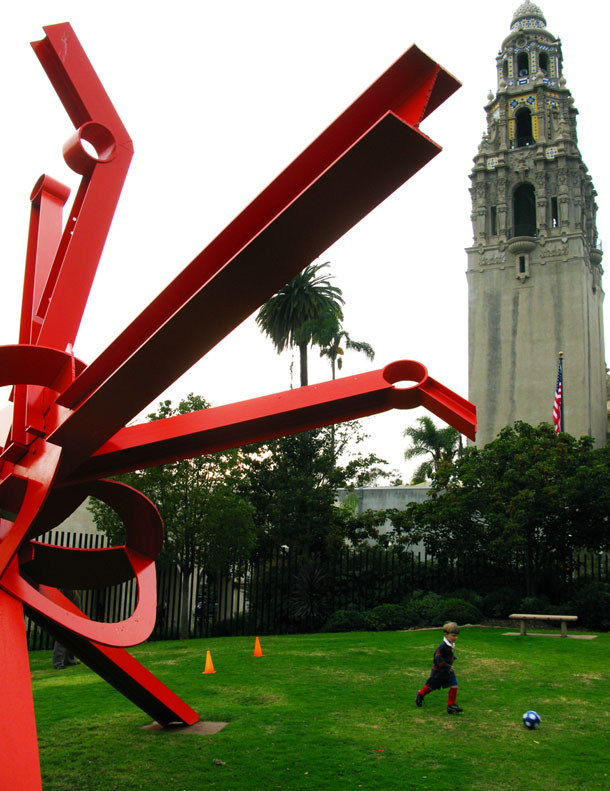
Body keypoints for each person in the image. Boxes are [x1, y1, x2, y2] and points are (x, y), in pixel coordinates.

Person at [415, 621, 463, 714]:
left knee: (454, 685)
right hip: (439, 671)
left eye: (456, 636)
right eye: (453, 635)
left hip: (448, 671)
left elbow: (447, 655)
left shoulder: (450, 644)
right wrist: (447, 665)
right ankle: (420, 694)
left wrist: (452, 658)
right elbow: (437, 658)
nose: (455, 638)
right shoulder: (442, 646)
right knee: (432, 686)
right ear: (446, 634)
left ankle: (451, 705)